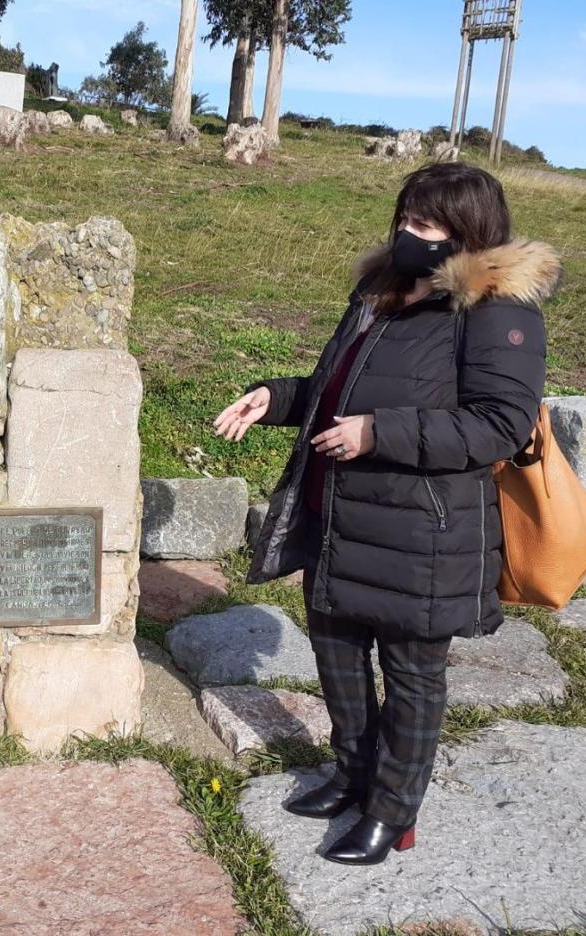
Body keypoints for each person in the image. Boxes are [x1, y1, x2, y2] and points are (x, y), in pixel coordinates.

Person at [213, 162, 559, 865]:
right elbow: (335, 385)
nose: (408, 233)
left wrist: (379, 432)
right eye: (405, 217)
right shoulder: (380, 292)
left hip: (421, 535)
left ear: (470, 233)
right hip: (337, 518)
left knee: (409, 678)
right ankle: (352, 773)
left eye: (427, 225)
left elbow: (499, 424)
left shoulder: (498, 312)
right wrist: (274, 398)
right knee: (337, 659)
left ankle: (393, 811)